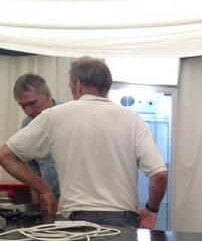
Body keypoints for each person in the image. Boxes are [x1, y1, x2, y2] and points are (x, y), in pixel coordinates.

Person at [0, 57, 168, 228]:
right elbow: (160, 175)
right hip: (123, 221)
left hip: (75, 221)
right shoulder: (133, 119)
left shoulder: (54, 116)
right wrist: (151, 210)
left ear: (78, 84)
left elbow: (5, 156)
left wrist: (44, 189)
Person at [13, 73, 61, 203]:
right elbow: (33, 173)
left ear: (48, 95)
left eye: (33, 103)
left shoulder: (70, 114)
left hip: (77, 201)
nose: (28, 111)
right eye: (23, 106)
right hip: (51, 201)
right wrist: (37, 208)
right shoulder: (27, 124)